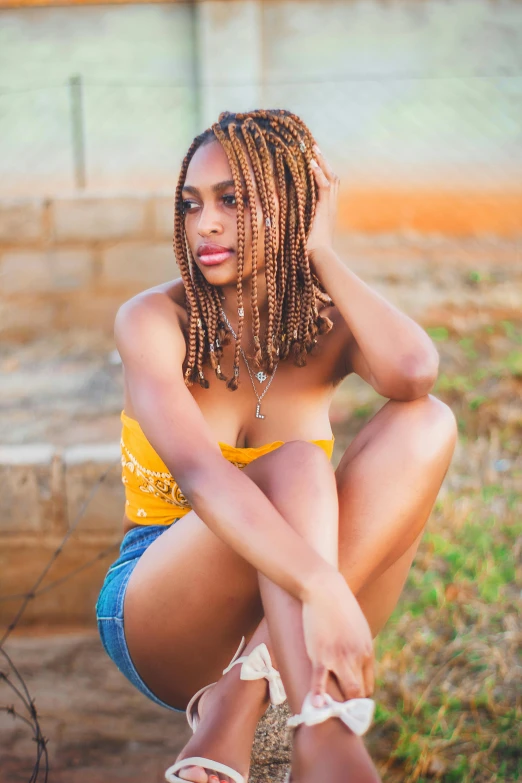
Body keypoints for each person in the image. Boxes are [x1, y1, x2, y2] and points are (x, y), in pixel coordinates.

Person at [95, 108, 457, 783]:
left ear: (295, 206)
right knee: (292, 462)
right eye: (192, 203)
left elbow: (414, 373)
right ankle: (321, 722)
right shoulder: (154, 321)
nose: (204, 223)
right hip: (168, 605)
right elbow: (203, 478)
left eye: (233, 199)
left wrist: (321, 249)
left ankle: (243, 694)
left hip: (305, 593)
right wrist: (321, 584)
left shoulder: (325, 324)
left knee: (426, 421)